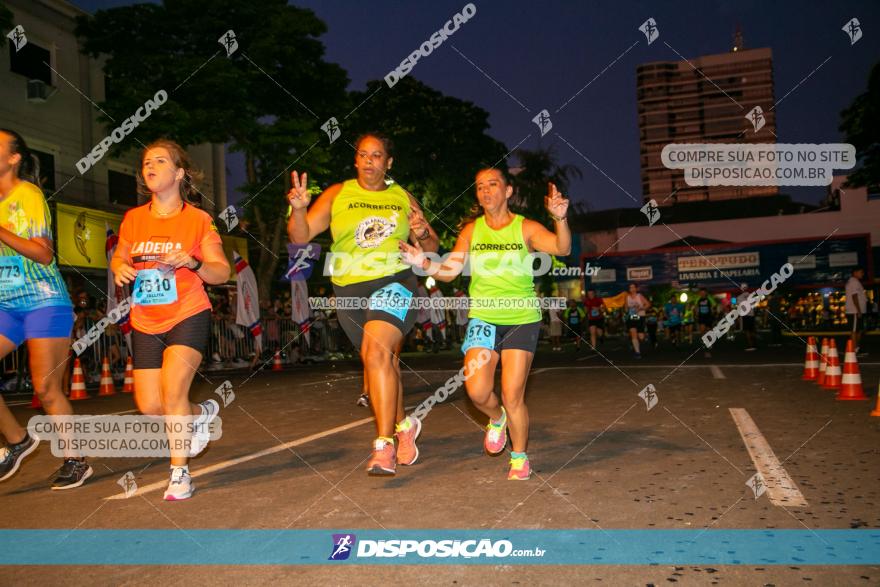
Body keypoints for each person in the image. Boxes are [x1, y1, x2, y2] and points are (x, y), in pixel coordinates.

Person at [400, 170, 571, 480]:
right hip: (484, 318)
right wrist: (423, 263)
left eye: (493, 184)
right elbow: (449, 272)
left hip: (521, 319)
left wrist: (559, 218)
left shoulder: (526, 228)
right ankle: (497, 419)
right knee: (477, 392)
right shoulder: (471, 231)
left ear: (508, 191)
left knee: (512, 393)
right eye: (479, 186)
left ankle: (519, 458)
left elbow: (562, 248)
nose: (486, 191)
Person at [287, 132, 439, 476]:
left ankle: (383, 445)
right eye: (363, 154)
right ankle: (404, 427)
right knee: (378, 366)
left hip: (395, 282)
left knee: (376, 354)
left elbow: (430, 247)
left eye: (377, 155)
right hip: (349, 289)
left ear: (389, 162)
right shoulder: (338, 194)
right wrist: (298, 210)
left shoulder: (402, 196)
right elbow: (299, 237)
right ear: (355, 160)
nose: (369, 160)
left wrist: (422, 230)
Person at [111, 139, 230, 500]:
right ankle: (202, 412)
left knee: (173, 389)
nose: (149, 167)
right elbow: (120, 256)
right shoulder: (134, 218)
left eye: (160, 161)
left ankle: (179, 473)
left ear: (179, 173)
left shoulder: (198, 219)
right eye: (146, 162)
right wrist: (119, 268)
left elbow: (221, 271)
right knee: (150, 405)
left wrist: (192, 262)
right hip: (146, 317)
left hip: (187, 312)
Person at [0, 129, 91, 488]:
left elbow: (43, 253)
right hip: (6, 303)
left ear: (13, 158)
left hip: (42, 301)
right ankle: (18, 441)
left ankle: (76, 459)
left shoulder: (29, 195)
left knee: (47, 387)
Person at [624, 283, 650, 358]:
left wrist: (640, 308)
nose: (631, 289)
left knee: (641, 337)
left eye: (633, 287)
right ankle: (637, 352)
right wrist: (628, 309)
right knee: (633, 333)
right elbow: (625, 309)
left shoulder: (640, 296)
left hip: (640, 316)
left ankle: (640, 338)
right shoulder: (627, 297)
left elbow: (648, 304)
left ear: (636, 288)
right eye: (630, 287)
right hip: (632, 317)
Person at [845, 267, 867, 356]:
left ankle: (857, 348)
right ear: (855, 272)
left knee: (859, 330)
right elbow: (854, 296)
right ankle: (854, 350)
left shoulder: (855, 282)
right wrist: (858, 310)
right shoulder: (853, 282)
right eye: (861, 272)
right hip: (854, 311)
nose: (863, 274)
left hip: (857, 311)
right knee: (854, 330)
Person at [692, 287, 718, 357]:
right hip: (701, 317)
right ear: (700, 293)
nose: (702, 294)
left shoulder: (709, 298)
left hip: (708, 317)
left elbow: (714, 305)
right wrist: (696, 315)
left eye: (704, 292)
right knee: (702, 331)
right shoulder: (698, 299)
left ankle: (709, 343)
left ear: (706, 293)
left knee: (709, 332)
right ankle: (706, 346)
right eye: (701, 293)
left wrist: (713, 310)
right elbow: (696, 307)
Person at [738, 284, 757, 351]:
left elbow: (740, 308)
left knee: (747, 331)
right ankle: (754, 344)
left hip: (745, 316)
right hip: (751, 315)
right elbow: (754, 305)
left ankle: (750, 346)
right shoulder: (751, 296)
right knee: (751, 330)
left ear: (741, 289)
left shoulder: (739, 297)